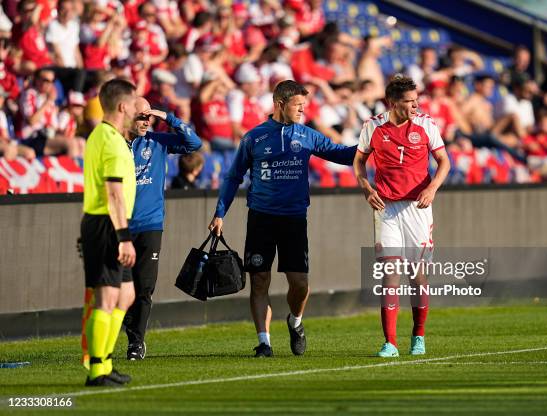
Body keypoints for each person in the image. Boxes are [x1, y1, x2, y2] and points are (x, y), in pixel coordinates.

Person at [208, 80, 356, 358]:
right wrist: (219, 212)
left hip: (294, 219)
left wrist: (371, 145)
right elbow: (233, 177)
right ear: (280, 104)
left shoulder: (307, 135)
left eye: (304, 105)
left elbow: (343, 155)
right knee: (260, 280)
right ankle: (264, 342)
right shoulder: (254, 137)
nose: (303, 110)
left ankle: (295, 322)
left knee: (300, 284)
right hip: (261, 218)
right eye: (298, 105)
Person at [353, 76, 450, 358]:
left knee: (417, 277)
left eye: (415, 100)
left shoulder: (426, 124)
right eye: (409, 101)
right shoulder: (372, 126)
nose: (415, 105)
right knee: (389, 276)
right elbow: (359, 160)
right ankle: (390, 343)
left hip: (417, 209)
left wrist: (432, 188)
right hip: (387, 209)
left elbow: (444, 161)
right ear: (392, 103)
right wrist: (366, 188)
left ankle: (418, 336)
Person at [123, 97, 202, 360]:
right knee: (119, 288)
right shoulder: (115, 144)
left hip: (150, 225)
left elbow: (194, 143)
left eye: (149, 117)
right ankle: (123, 328)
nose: (145, 122)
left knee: (144, 287)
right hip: (120, 225)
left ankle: (136, 342)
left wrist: (167, 117)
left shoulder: (157, 141)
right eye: (140, 116)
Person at [80, 78, 137, 387]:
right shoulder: (112, 141)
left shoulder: (101, 135)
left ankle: (106, 361)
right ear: (122, 105)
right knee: (107, 296)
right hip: (107, 223)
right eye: (134, 103)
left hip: (104, 221)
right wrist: (124, 236)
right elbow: (113, 193)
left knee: (126, 295)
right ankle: (97, 369)